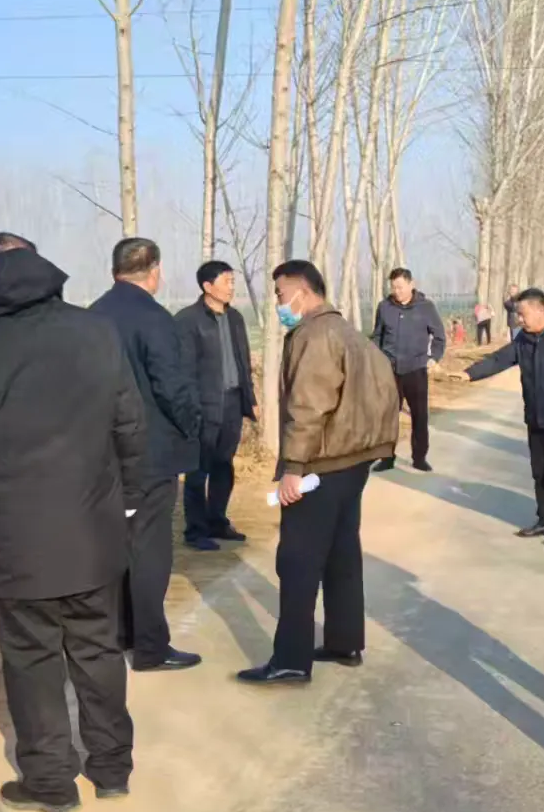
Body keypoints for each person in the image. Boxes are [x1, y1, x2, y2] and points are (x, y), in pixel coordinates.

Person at [0, 233, 145, 812]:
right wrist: (129, 497)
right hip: (93, 530)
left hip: (15, 540)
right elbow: (129, 421)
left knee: (31, 662)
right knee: (98, 651)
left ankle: (50, 782)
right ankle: (112, 768)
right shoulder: (95, 331)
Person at [237, 260, 400, 685]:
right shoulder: (349, 333)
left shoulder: (314, 335)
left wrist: (293, 468)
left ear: (302, 292)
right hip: (353, 462)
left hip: (321, 465)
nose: (277, 302)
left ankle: (291, 659)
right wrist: (378, 448)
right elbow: (386, 394)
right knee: (342, 554)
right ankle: (345, 641)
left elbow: (307, 408)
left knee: (298, 561)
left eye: (279, 294)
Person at [90, 238, 203, 673]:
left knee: (115, 545)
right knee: (150, 550)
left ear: (113, 270)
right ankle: (151, 647)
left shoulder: (91, 317)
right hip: (151, 452)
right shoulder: (155, 319)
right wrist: (192, 426)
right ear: (154, 270)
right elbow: (171, 386)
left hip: (103, 453)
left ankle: (120, 632)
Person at [454, 288, 544, 548]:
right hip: (536, 416)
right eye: (518, 315)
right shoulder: (524, 339)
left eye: (522, 314)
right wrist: (469, 373)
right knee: (540, 472)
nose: (519, 319)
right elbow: (500, 359)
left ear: (541, 310)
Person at [174, 260, 257, 551]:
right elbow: (184, 370)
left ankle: (218, 521)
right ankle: (195, 531)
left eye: (233, 281)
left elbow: (244, 362)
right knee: (198, 470)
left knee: (224, 465)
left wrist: (251, 400)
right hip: (203, 405)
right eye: (226, 282)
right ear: (207, 286)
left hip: (232, 402)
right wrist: (191, 408)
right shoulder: (187, 320)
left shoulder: (235, 318)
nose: (232, 287)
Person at [370, 267, 446, 473]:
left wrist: (433, 358)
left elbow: (439, 337)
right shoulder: (384, 307)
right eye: (393, 287)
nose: (397, 292)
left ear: (411, 284)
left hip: (416, 369)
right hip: (390, 370)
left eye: (401, 287)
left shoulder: (426, 307)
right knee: (387, 417)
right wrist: (377, 360)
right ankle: (386, 458)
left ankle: (419, 457)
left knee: (419, 416)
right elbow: (377, 336)